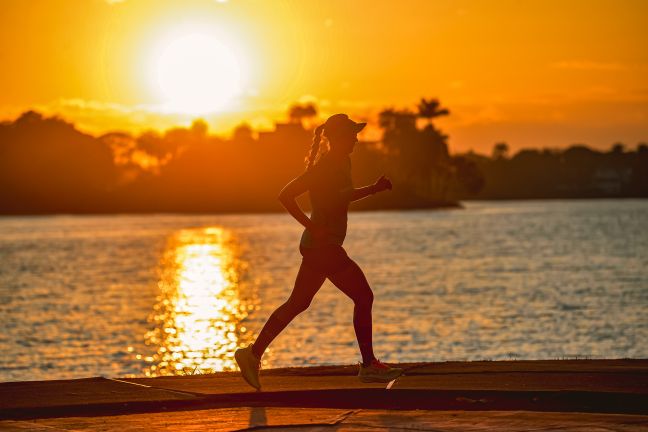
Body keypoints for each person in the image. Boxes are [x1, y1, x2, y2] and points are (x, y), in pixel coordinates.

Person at [235, 113, 403, 389]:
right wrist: (312, 225)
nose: (356, 140)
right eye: (352, 135)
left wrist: (374, 188)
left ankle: (251, 354)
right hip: (323, 247)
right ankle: (369, 365)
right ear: (337, 139)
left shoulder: (342, 163)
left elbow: (342, 195)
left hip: (320, 247)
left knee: (298, 303)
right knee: (364, 295)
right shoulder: (324, 168)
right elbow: (285, 195)